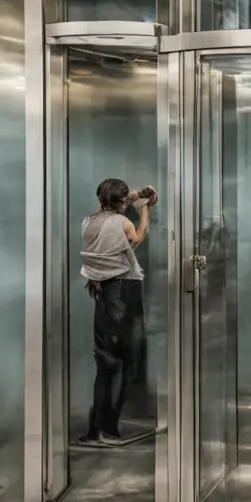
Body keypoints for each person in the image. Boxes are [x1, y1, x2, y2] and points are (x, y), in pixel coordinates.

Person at [79, 178, 155, 447]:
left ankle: (96, 426)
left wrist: (137, 196)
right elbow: (137, 237)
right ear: (122, 202)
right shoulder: (124, 223)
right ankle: (110, 428)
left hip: (102, 291)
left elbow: (112, 210)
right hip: (124, 291)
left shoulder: (89, 220)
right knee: (124, 361)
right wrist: (145, 211)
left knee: (105, 361)